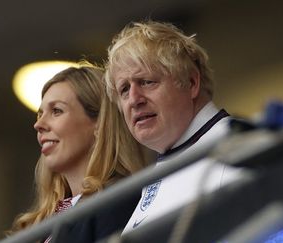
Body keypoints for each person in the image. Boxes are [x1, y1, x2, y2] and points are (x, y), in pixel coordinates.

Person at [104, 20, 245, 233]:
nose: (134, 99)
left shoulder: (241, 145)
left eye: (146, 82)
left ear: (191, 83)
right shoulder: (160, 172)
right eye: (124, 89)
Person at [9, 63, 148, 242]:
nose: (39, 125)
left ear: (100, 123)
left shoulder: (117, 200)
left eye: (56, 111)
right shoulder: (48, 218)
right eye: (40, 114)